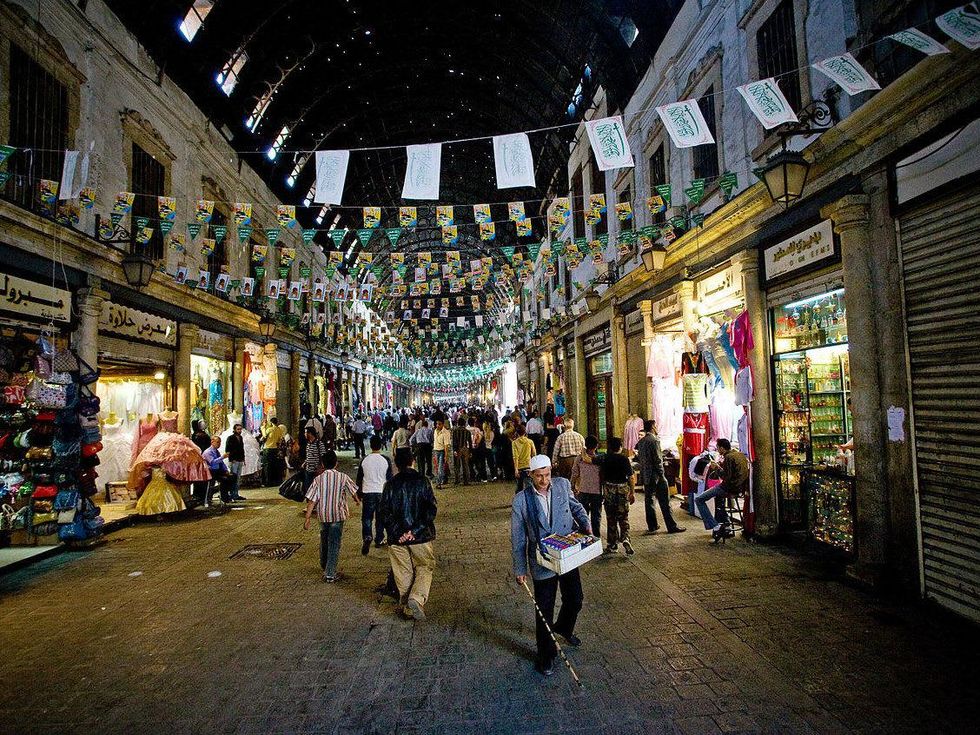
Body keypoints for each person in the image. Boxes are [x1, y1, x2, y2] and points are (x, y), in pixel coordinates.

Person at [511, 455, 592, 677]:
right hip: (542, 561)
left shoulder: (563, 485)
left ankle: (564, 628)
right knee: (544, 610)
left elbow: (576, 508)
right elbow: (518, 538)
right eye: (539, 476)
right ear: (531, 475)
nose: (544, 480)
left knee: (575, 598)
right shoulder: (521, 500)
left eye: (547, 475)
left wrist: (586, 524)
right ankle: (545, 655)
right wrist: (520, 569)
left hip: (566, 555)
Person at [378, 450, 438, 620]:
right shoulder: (423, 482)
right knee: (425, 566)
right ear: (413, 461)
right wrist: (414, 531)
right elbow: (430, 510)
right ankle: (416, 598)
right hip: (420, 537)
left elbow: (384, 513)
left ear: (396, 464)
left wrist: (400, 533)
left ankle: (407, 607)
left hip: (397, 539)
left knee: (403, 572)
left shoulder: (390, 485)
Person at [303, 450, 360, 583]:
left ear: (322, 464)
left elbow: (312, 500)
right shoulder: (343, 477)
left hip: (323, 515)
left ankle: (325, 564)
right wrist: (357, 500)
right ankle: (329, 573)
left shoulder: (318, 479)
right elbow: (353, 491)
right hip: (337, 515)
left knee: (324, 540)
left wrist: (307, 518)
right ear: (336, 463)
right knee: (334, 542)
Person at [635, 420, 685, 535]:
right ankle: (671, 525)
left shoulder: (642, 442)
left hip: (646, 475)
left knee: (649, 500)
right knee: (664, 501)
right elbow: (657, 460)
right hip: (656, 475)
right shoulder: (654, 440)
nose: (656, 428)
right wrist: (662, 474)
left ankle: (652, 525)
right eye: (655, 426)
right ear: (652, 427)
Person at [695, 438, 749, 542]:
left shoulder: (728, 457)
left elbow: (726, 477)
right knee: (719, 501)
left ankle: (716, 527)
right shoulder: (739, 454)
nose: (718, 450)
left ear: (722, 448)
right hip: (739, 487)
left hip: (730, 488)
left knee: (699, 500)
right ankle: (725, 523)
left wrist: (716, 468)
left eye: (718, 448)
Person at [357, 435, 392, 555]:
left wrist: (358, 494)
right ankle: (379, 538)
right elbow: (389, 479)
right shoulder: (386, 460)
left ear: (371, 446)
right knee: (380, 517)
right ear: (381, 445)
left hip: (368, 491)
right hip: (381, 491)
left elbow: (359, 479)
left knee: (367, 517)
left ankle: (367, 536)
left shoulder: (364, 460)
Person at [601, 437, 635, 555]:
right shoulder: (624, 459)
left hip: (609, 489)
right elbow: (630, 477)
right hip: (622, 489)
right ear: (620, 447)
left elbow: (601, 476)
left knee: (611, 518)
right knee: (623, 516)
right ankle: (625, 538)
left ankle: (612, 544)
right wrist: (632, 492)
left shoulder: (605, 458)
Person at [571, 435, 603, 535]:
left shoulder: (579, 458)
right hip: (597, 491)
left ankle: (585, 535)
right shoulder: (599, 459)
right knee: (596, 516)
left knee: (583, 515)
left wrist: (572, 486)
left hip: (583, 490)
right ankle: (596, 536)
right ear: (597, 446)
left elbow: (575, 473)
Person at [201, 435, 233, 504]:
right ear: (212, 442)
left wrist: (225, 470)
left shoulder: (216, 451)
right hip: (211, 471)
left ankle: (226, 495)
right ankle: (224, 497)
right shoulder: (208, 452)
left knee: (233, 476)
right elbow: (212, 462)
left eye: (220, 442)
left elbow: (221, 463)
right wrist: (222, 457)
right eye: (217, 442)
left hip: (217, 470)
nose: (219, 444)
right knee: (225, 479)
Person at [262, 417, 287, 487]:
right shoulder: (279, 430)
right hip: (275, 449)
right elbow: (279, 440)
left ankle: (268, 482)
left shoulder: (270, 429)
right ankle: (274, 481)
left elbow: (264, 436)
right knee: (273, 465)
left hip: (268, 449)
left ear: (271, 422)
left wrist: (263, 427)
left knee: (267, 466)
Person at [224, 423, 246, 501]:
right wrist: (231, 459)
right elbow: (228, 449)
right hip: (234, 460)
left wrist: (243, 458)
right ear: (234, 430)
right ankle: (232, 494)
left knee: (238, 478)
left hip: (240, 459)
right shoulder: (230, 438)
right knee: (233, 477)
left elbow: (242, 448)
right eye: (238, 429)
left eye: (240, 429)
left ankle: (236, 494)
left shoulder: (240, 437)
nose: (239, 431)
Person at [511, 424, 535, 494]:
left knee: (519, 487)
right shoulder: (530, 442)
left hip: (520, 468)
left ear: (517, 432)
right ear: (525, 432)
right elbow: (534, 454)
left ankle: (518, 501)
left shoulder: (514, 443)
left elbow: (515, 456)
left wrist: (516, 469)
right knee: (529, 486)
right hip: (528, 466)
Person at [451, 417, 472, 486]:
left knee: (457, 465)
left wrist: (454, 450)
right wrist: (470, 451)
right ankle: (466, 481)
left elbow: (454, 442)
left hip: (458, 449)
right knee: (465, 465)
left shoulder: (455, 431)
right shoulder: (467, 432)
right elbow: (470, 442)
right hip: (465, 448)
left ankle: (457, 480)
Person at [432, 418, 452, 489]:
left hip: (442, 451)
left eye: (439, 424)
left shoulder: (446, 432)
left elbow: (446, 446)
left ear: (443, 424)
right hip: (436, 450)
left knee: (440, 468)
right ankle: (443, 478)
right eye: (437, 424)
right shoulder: (435, 431)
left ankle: (438, 483)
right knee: (437, 467)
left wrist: (446, 455)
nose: (437, 425)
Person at [468, 417, 486, 483]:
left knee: (470, 463)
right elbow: (479, 439)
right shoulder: (477, 429)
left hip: (469, 448)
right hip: (476, 448)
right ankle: (479, 475)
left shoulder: (467, 429)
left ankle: (472, 475)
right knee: (477, 462)